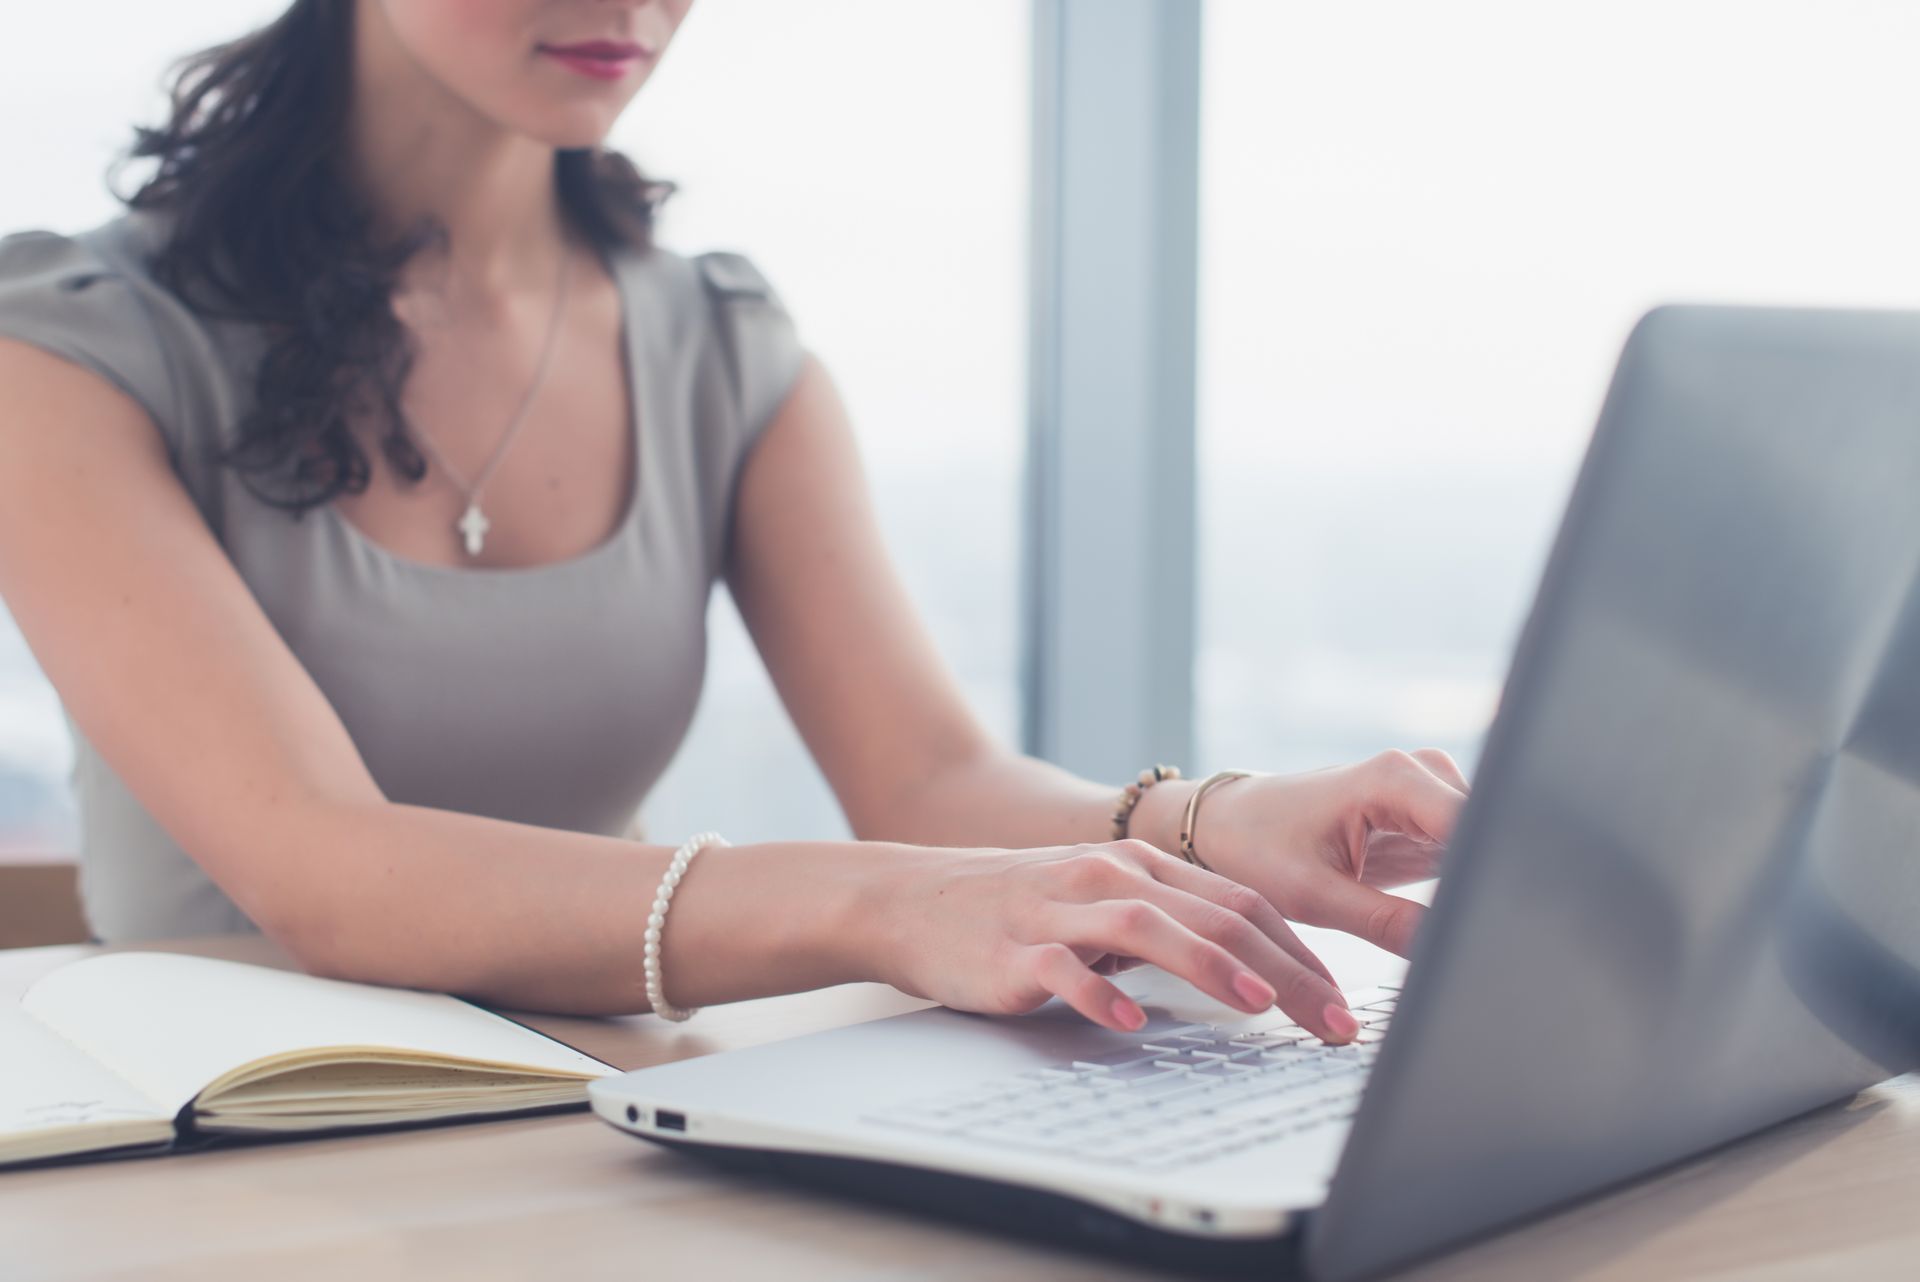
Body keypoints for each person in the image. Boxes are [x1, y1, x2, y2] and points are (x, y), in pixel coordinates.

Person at [0, 0, 1466, 1042]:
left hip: (593, 1120)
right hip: (203, 1156)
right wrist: (887, 908)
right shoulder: (70, 349)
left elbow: (930, 775)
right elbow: (323, 865)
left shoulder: (722, 344)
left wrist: (1210, 821)